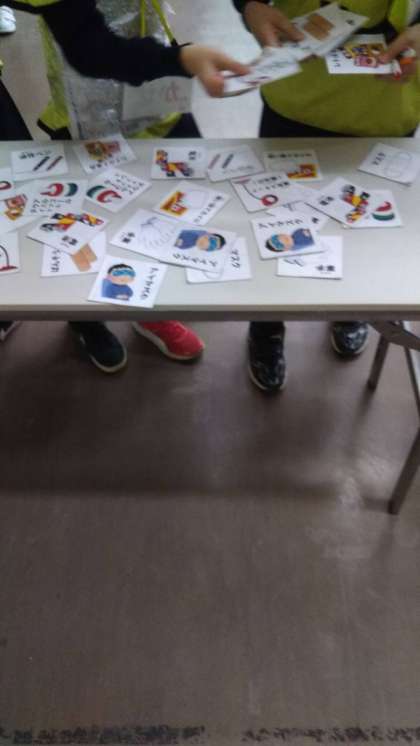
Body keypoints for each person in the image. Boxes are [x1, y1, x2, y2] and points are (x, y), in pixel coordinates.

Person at [0, 0, 248, 369]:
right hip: (89, 102)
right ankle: (86, 320)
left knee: (176, 200)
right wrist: (182, 59)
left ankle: (150, 307)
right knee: (84, 224)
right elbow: (89, 48)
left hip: (153, 78)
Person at [233, 0, 420, 392]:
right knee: (277, 225)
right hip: (297, 90)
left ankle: (350, 308)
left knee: (365, 225)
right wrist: (248, 4)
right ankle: (266, 324)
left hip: (387, 98)